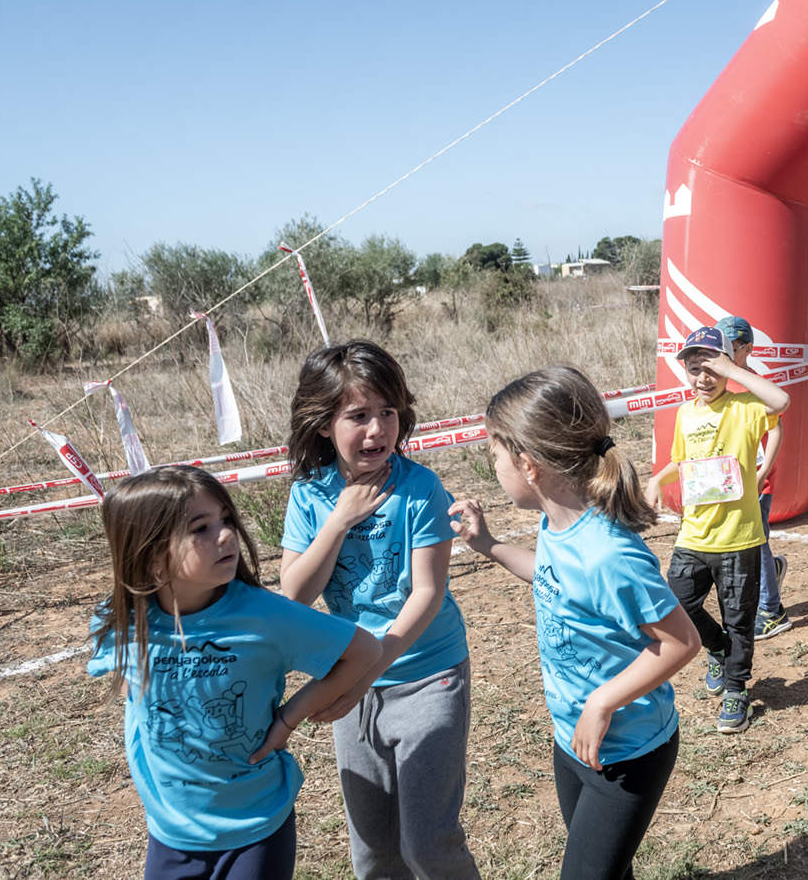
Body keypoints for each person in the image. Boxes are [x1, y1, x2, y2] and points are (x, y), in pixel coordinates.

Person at [452, 366, 701, 878]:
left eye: (495, 455)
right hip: (573, 740)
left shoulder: (609, 554)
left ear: (528, 465)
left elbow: (681, 642)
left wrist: (601, 701)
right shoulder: (557, 524)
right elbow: (551, 577)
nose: (492, 466)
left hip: (628, 752)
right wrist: (489, 545)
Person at [88, 465, 380, 880]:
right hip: (171, 832)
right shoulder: (123, 621)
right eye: (200, 529)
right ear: (151, 557)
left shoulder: (264, 615)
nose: (226, 535)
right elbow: (134, 697)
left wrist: (288, 718)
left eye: (226, 520)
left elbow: (365, 651)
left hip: (256, 825)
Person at [279, 341, 479, 879]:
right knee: (373, 853)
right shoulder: (310, 497)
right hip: (353, 681)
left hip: (427, 675)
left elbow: (427, 592)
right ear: (323, 424)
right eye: (358, 416)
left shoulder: (420, 488)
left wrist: (368, 668)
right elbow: (294, 593)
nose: (377, 430)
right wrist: (339, 519)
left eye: (388, 412)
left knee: (429, 846)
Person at [646, 326, 790, 733]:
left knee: (739, 619)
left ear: (727, 367)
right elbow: (681, 461)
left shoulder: (746, 407)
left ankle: (736, 689)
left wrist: (732, 370)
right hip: (693, 535)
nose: (703, 378)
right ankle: (718, 648)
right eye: (695, 369)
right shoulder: (686, 414)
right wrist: (657, 479)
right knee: (676, 603)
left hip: (739, 538)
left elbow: (781, 401)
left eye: (712, 368)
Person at [715, 315, 792, 641]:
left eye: (732, 347)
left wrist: (761, 474)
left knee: (754, 543)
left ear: (748, 348)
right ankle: (772, 570)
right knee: (746, 543)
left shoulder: (753, 385)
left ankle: (772, 612)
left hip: (756, 481)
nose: (724, 354)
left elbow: (776, 429)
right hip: (729, 481)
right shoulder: (717, 383)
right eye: (720, 346)